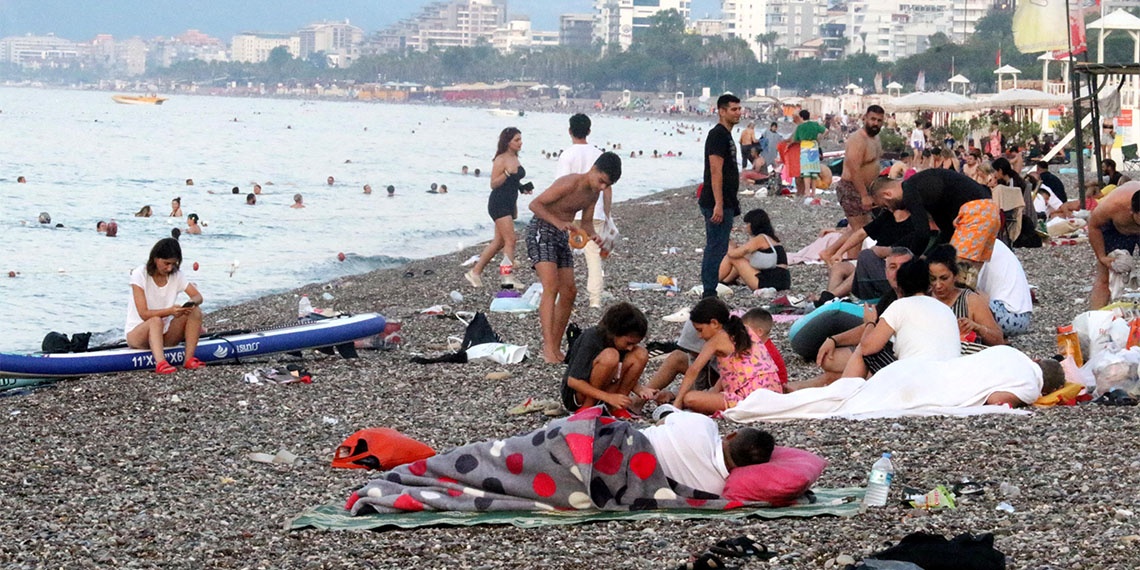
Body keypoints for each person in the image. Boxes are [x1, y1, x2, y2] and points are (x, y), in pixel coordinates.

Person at [527, 152, 622, 363]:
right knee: (550, 287)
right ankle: (548, 348)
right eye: (601, 182)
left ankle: (556, 346)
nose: (602, 188)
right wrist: (558, 222)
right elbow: (535, 205)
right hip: (541, 230)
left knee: (569, 292)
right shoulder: (570, 182)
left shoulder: (593, 194)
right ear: (594, 169)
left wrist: (596, 237)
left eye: (607, 185)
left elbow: (586, 224)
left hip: (561, 234)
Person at [794, 247, 915, 390]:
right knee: (829, 360)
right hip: (892, 352)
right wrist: (833, 339)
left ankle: (831, 386)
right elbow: (874, 328)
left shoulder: (915, 299)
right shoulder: (889, 298)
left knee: (866, 353)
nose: (899, 273)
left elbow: (869, 343)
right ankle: (833, 381)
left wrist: (869, 322)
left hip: (908, 361)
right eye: (893, 267)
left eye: (904, 267)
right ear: (886, 272)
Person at [870, 168, 997, 289]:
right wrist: (928, 255)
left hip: (975, 212)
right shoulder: (925, 190)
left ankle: (965, 308)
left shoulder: (909, 190)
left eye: (886, 206)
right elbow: (946, 231)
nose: (891, 210)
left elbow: (922, 233)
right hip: (989, 209)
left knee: (956, 277)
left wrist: (910, 261)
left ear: (887, 194)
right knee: (969, 278)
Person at [839, 258, 961, 380]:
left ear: (900, 289)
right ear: (929, 286)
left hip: (915, 379)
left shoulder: (900, 305)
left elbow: (867, 348)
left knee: (865, 350)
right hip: (949, 379)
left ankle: (844, 394)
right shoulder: (946, 309)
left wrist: (870, 322)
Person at [672, 299, 783, 414]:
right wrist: (713, 393)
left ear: (714, 323)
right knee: (707, 396)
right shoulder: (745, 330)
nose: (699, 336)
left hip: (749, 399)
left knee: (690, 398)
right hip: (773, 393)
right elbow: (733, 371)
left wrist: (678, 402)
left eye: (700, 330)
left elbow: (693, 370)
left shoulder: (716, 340)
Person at [641, 408, 775, 496]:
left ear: (731, 435)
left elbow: (661, 423)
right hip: (635, 478)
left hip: (629, 442)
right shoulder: (714, 489)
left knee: (668, 415)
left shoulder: (702, 424)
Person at [125, 238, 205, 374]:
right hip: (138, 334)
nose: (169, 268)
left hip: (164, 333)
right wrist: (170, 311)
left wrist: (188, 305)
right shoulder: (140, 274)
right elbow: (143, 313)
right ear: (156, 259)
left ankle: (188, 359)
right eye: (166, 263)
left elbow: (198, 297)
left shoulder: (176, 275)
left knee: (195, 311)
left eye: (173, 264)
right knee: (155, 320)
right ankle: (161, 363)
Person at [560, 302, 653, 417]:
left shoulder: (619, 343)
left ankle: (616, 407)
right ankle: (587, 409)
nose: (630, 348)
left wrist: (640, 389)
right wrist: (608, 397)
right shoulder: (592, 338)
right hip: (578, 396)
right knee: (611, 356)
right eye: (628, 343)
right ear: (614, 333)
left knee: (641, 353)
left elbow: (618, 371)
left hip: (605, 392)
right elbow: (573, 381)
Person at [465, 127, 531, 289]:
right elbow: (493, 183)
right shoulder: (500, 159)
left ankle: (475, 272)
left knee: (499, 242)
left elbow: (513, 182)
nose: (520, 142)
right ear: (507, 142)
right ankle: (507, 276)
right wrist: (507, 174)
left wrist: (522, 188)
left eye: (520, 139)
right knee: (511, 240)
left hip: (509, 202)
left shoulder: (515, 157)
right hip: (498, 202)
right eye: (516, 140)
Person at [555, 113, 607, 308]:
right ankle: (595, 300)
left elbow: (561, 185)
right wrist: (607, 213)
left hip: (570, 213)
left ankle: (564, 297)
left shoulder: (567, 155)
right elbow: (607, 187)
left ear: (570, 131)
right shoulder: (599, 155)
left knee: (563, 257)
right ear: (589, 131)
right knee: (593, 257)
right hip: (595, 211)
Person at [817, 208, 913, 303]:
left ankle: (830, 297)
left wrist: (876, 251)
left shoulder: (914, 223)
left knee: (865, 259)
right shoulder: (888, 216)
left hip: (889, 264)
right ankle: (830, 302)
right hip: (877, 259)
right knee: (839, 267)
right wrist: (840, 252)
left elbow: (888, 251)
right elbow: (861, 233)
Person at [700, 94, 742, 298]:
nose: (738, 113)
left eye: (739, 109)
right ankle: (709, 291)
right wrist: (718, 203)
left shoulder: (726, 135)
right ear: (721, 111)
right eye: (733, 109)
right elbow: (715, 170)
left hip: (725, 200)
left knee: (720, 245)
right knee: (715, 247)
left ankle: (711, 288)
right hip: (716, 201)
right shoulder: (717, 135)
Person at [926, 244, 1005, 348]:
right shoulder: (924, 298)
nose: (938, 285)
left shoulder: (971, 300)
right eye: (933, 279)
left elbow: (998, 340)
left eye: (944, 278)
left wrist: (977, 327)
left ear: (955, 276)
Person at [835, 105, 885, 258]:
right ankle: (852, 262)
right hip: (852, 188)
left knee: (864, 227)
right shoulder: (858, 139)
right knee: (859, 230)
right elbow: (854, 168)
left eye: (879, 120)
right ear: (865, 119)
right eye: (873, 119)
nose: (875, 123)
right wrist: (864, 194)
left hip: (867, 188)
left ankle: (829, 252)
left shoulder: (876, 139)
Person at [1088, 181, 1140, 308]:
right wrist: (1102, 257)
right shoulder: (1114, 205)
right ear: (1131, 211)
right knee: (1104, 276)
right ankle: (1096, 320)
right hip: (1116, 229)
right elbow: (1093, 226)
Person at [718, 208, 790, 291]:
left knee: (733, 257)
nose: (746, 227)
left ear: (753, 224)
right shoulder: (771, 239)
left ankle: (714, 280)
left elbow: (733, 254)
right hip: (783, 281)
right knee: (743, 258)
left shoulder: (760, 238)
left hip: (768, 282)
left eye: (747, 223)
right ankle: (725, 281)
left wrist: (730, 246)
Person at [978, 240, 1033, 337]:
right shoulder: (988, 239)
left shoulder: (975, 246)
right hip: (1021, 315)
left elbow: (965, 286)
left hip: (1011, 316)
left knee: (965, 300)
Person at [793, 110, 827, 197]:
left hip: (805, 147)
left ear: (801, 117)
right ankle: (814, 191)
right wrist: (820, 138)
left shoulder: (800, 127)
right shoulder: (815, 124)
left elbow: (796, 139)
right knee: (814, 170)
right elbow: (826, 130)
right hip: (814, 146)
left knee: (806, 170)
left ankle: (807, 191)